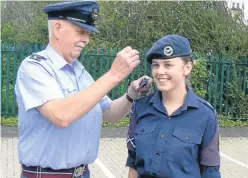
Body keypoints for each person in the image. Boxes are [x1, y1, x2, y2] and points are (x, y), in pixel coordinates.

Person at [15, 1, 152, 178]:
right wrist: (114, 75)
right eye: (80, 31)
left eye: (88, 33)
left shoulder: (80, 71)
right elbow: (61, 115)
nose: (86, 39)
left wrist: (131, 95)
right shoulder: (35, 68)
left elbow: (110, 113)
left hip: (83, 173)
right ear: (57, 28)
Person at [126, 34, 221, 178]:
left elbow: (210, 172)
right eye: (156, 65)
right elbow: (133, 163)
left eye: (168, 65)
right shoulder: (140, 108)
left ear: (187, 68)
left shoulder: (206, 115)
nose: (160, 71)